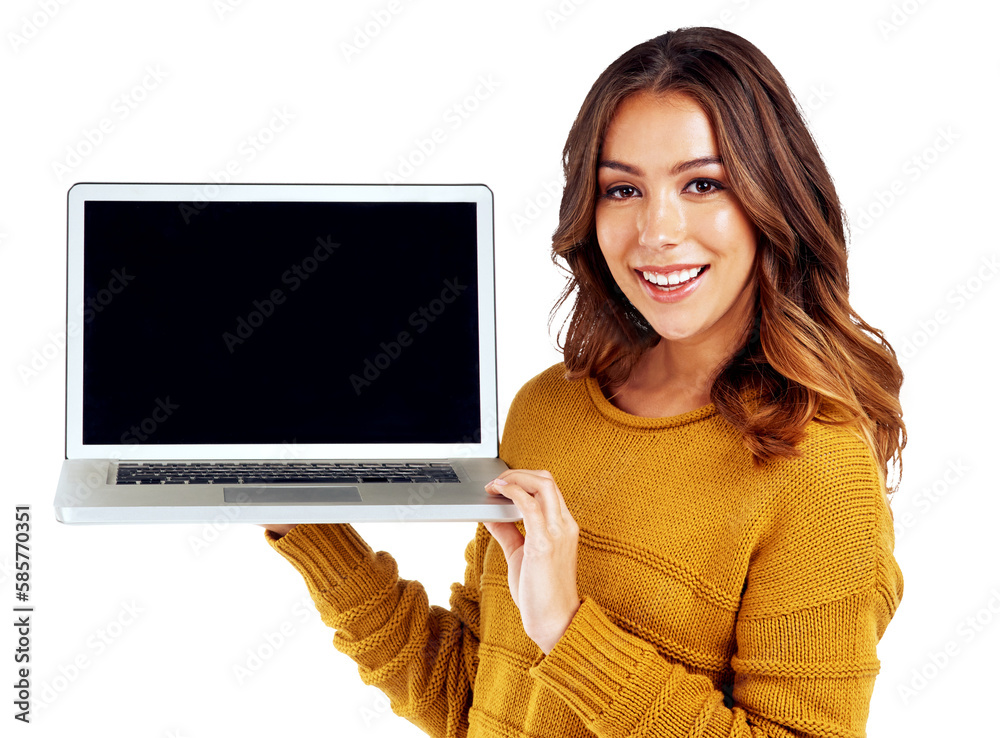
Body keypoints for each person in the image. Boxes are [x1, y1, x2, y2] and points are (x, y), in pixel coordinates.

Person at [259, 26, 906, 737]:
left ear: (771, 199)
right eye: (622, 189)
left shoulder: (818, 468)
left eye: (702, 184)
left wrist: (569, 631)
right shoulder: (548, 408)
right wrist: (307, 519)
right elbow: (467, 697)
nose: (656, 230)